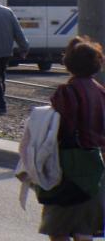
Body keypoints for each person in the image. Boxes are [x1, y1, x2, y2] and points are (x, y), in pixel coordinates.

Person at [38, 36, 105, 241]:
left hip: (68, 168)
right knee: (84, 229)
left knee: (58, 229)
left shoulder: (66, 92)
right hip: (95, 166)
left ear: (68, 64)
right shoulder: (101, 92)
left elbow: (57, 130)